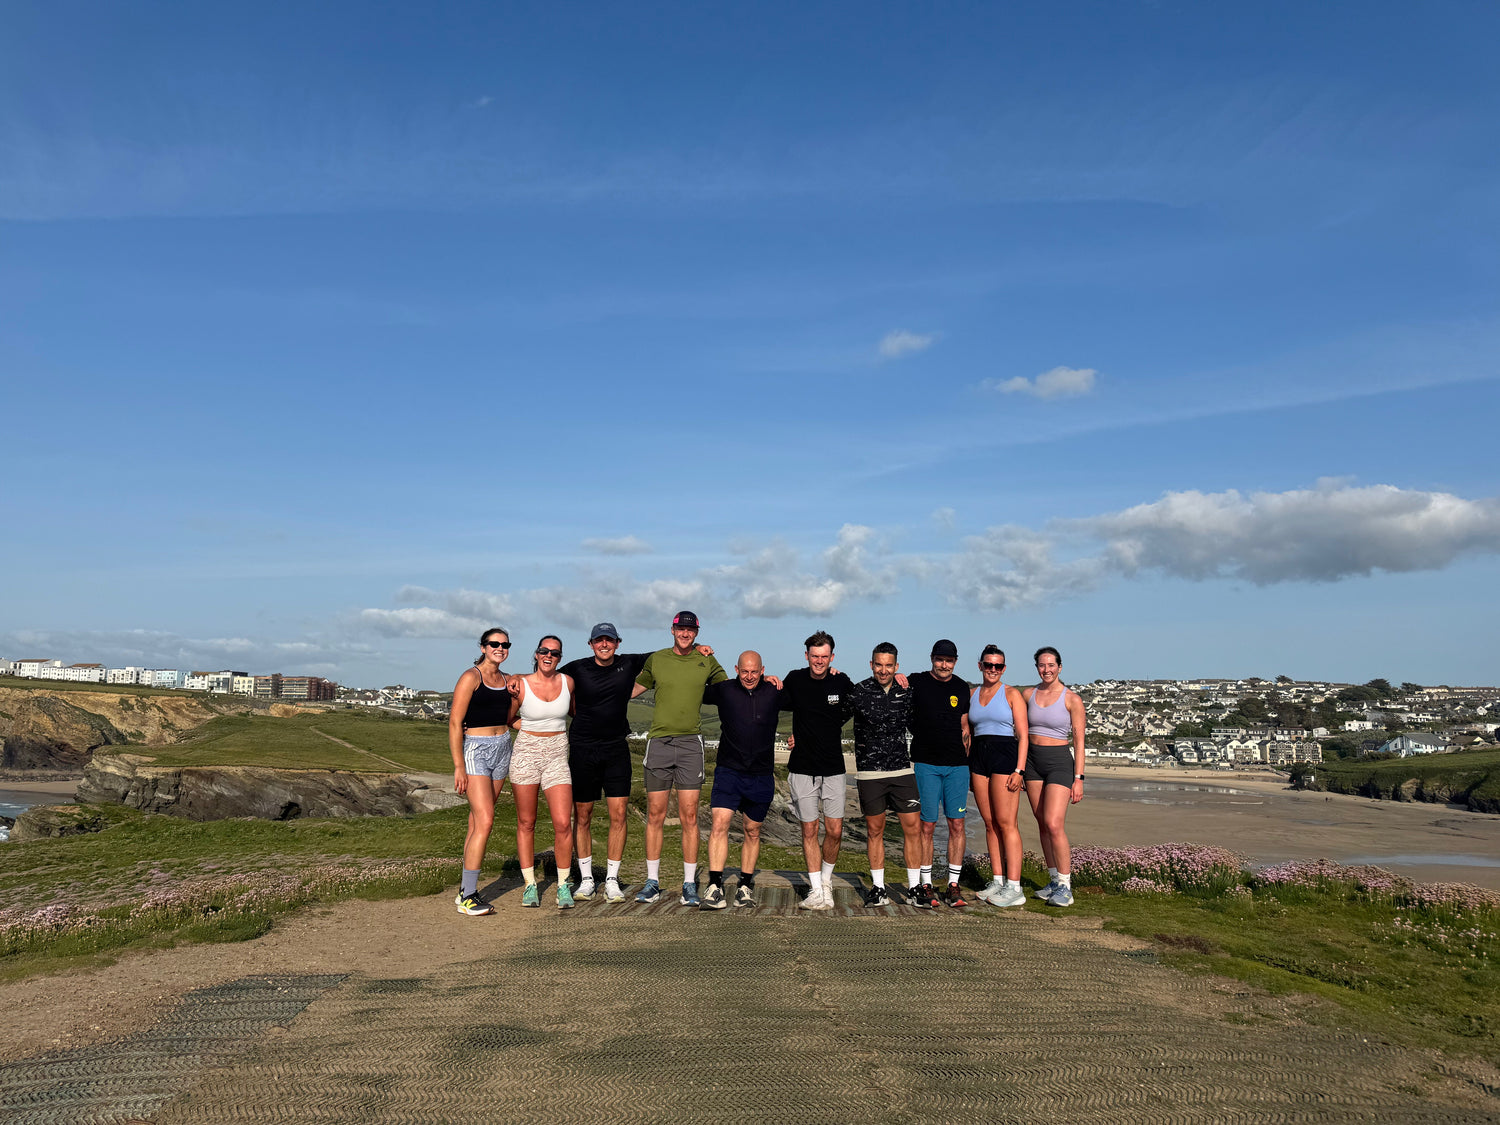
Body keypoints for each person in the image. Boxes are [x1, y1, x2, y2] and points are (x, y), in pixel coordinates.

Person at [560, 622, 713, 904]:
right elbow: (546, 682)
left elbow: (669, 653)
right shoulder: (576, 668)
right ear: (590, 644)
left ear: (618, 643)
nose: (603, 645)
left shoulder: (629, 663)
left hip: (616, 747)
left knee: (618, 816)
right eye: (598, 641)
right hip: (582, 747)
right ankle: (585, 880)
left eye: (609, 640)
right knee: (582, 816)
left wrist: (697, 648)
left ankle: (611, 880)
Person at [630, 611, 730, 907]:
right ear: (672, 630)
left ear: (697, 632)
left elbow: (729, 690)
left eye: (690, 630)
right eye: (680, 629)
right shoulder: (657, 659)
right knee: (656, 814)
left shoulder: (706, 659)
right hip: (659, 741)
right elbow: (634, 688)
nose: (685, 633)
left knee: (689, 817)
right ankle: (652, 883)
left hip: (691, 745)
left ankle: (689, 884)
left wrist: (766, 681)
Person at [779, 631, 857, 910]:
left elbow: (859, 703)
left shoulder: (842, 681)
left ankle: (826, 881)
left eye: (824, 657)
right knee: (809, 829)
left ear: (832, 657)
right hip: (801, 768)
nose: (819, 661)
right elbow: (771, 701)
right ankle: (816, 890)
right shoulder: (795, 679)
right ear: (806, 656)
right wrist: (767, 679)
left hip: (834, 767)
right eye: (815, 656)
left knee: (835, 830)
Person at [699, 651, 782, 909]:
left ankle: (745, 886)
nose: (748, 676)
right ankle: (715, 886)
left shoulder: (774, 690)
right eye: (744, 671)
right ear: (736, 668)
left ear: (762, 669)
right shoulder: (723, 690)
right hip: (728, 770)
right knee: (719, 824)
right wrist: (699, 651)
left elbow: (808, 704)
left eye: (754, 672)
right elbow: (691, 684)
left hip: (761, 774)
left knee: (752, 830)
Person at [847, 642, 923, 908]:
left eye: (888, 665)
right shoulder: (859, 691)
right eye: (878, 664)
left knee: (913, 830)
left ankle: (915, 888)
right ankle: (878, 889)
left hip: (903, 769)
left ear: (896, 667)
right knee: (874, 831)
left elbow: (925, 722)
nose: (883, 670)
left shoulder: (907, 690)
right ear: (871, 665)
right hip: (870, 772)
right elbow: (830, 718)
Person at [449, 627, 517, 917]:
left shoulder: (507, 679)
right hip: (476, 750)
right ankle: (469, 896)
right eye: (494, 644)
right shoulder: (470, 677)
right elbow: (455, 723)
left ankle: (464, 890)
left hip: (503, 747)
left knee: (477, 821)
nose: (499, 648)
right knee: (486, 821)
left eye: (504, 644)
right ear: (482, 647)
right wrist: (458, 767)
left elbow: (509, 718)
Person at [510, 636, 576, 909]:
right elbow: (508, 718)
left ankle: (563, 885)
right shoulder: (520, 684)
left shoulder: (568, 683)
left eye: (555, 653)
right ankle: (529, 885)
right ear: (536, 654)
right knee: (527, 822)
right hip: (526, 754)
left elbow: (576, 713)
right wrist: (529, 732)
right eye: (543, 651)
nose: (549, 655)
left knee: (563, 823)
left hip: (557, 755)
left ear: (560, 657)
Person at [907, 639, 972, 909]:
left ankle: (953, 885)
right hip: (926, 764)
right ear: (932, 658)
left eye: (949, 660)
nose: (944, 665)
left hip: (957, 766)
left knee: (957, 824)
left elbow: (965, 725)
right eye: (939, 659)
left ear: (955, 661)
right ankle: (926, 883)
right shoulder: (915, 681)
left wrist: (966, 758)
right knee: (928, 826)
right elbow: (887, 682)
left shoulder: (961, 687)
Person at [1024, 646, 1088, 908]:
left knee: (1053, 823)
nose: (1046, 669)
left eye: (1051, 665)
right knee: (1041, 822)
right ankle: (1052, 879)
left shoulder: (1072, 699)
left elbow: (1080, 741)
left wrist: (1079, 778)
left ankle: (1065, 886)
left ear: (1060, 667)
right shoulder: (1028, 694)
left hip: (1060, 762)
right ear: (1037, 667)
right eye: (1042, 665)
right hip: (1032, 762)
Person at [968, 645, 1029, 908]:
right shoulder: (971, 694)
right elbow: (967, 731)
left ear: (1003, 668)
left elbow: (1024, 735)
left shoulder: (1012, 694)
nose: (993, 670)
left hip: (1005, 757)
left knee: (1007, 823)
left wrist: (1019, 770)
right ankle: (997, 879)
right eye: (989, 665)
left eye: (999, 666)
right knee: (990, 822)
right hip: (979, 758)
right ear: (980, 665)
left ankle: (1015, 887)